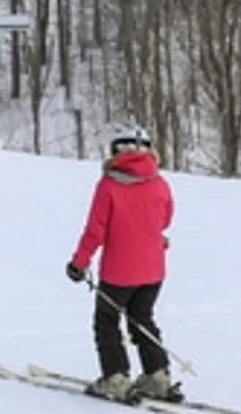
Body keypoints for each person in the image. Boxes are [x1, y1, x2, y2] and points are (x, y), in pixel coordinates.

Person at [65, 123, 180, 403]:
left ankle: (115, 377)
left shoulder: (109, 185)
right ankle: (157, 375)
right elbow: (165, 220)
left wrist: (79, 264)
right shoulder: (160, 183)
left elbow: (95, 231)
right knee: (142, 318)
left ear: (116, 150)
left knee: (106, 321)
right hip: (153, 270)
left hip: (119, 272)